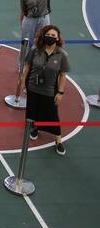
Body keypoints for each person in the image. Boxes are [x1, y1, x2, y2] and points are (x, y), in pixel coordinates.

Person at [19, 25, 69, 156]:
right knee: (33, 111)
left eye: (53, 36)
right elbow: (28, 66)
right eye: (48, 34)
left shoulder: (62, 55)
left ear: (58, 39)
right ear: (43, 35)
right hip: (33, 88)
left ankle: (58, 139)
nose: (50, 37)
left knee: (52, 114)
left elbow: (63, 75)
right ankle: (35, 128)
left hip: (50, 90)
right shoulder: (35, 50)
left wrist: (60, 92)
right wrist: (23, 83)